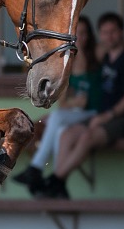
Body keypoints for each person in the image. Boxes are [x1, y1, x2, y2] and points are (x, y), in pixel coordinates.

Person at [39, 12, 124, 197]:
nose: (109, 36)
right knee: (66, 135)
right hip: (98, 116)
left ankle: (56, 180)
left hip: (120, 118)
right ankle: (58, 184)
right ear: (100, 35)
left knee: (86, 136)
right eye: (105, 32)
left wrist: (108, 115)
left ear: (122, 32)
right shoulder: (103, 58)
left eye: (113, 31)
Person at [12, 16, 102, 198]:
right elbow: (63, 102)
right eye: (77, 34)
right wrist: (75, 102)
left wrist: (82, 52)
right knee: (59, 130)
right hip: (77, 113)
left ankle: (36, 168)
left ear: (90, 35)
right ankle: (56, 185)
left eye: (84, 33)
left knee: (57, 118)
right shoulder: (69, 62)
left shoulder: (97, 53)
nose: (80, 38)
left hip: (96, 112)